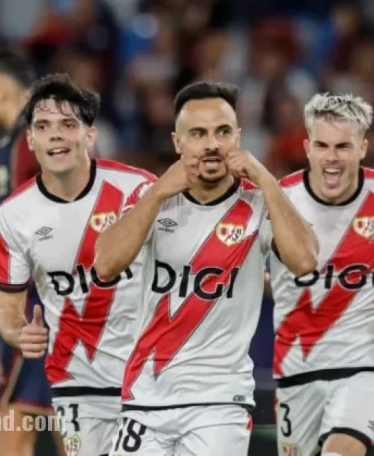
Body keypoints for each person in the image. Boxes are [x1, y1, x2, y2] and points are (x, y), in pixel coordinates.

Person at [93, 81, 318, 456]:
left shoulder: (259, 204)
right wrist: (160, 191)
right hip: (146, 394)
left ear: (238, 137)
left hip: (220, 401)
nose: (212, 144)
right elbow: (105, 265)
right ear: (178, 142)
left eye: (223, 132)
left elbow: (306, 260)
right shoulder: (151, 199)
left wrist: (265, 179)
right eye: (198, 134)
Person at [0, 73, 156, 456]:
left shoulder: (139, 190)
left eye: (68, 124)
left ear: (89, 135)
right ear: (30, 140)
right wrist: (18, 333)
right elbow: (8, 311)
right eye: (43, 127)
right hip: (75, 384)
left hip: (149, 377)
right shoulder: (15, 214)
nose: (56, 135)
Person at [268, 93, 374, 456]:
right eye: (323, 145)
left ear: (363, 147)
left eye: (343, 146)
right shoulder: (276, 201)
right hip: (297, 361)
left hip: (369, 355)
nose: (332, 157)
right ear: (307, 147)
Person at [0, 48, 56, 456]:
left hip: (40, 315)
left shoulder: (31, 141)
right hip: (51, 314)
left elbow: (10, 247)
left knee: (11, 437)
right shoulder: (12, 146)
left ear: (1, 90)